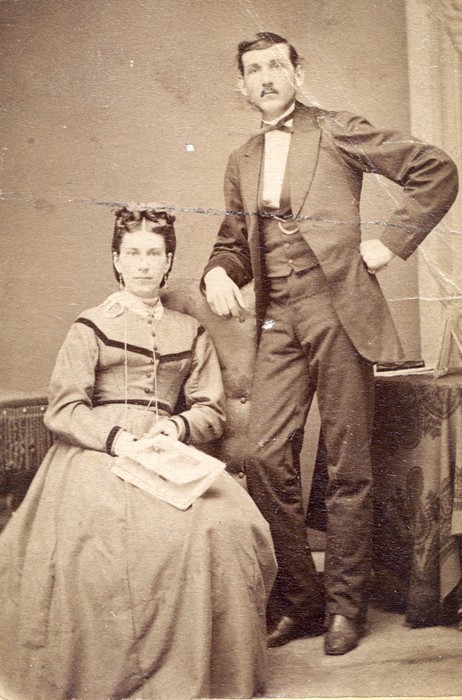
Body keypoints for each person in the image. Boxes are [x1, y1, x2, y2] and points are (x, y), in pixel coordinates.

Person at [201, 32, 458, 655]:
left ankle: (346, 607)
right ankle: (301, 601)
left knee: (348, 463)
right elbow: (235, 243)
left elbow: (436, 171)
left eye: (276, 65)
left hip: (339, 310)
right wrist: (217, 271)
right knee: (264, 454)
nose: (266, 77)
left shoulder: (337, 130)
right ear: (242, 85)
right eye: (254, 70)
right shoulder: (242, 158)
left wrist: (391, 242)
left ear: (298, 73)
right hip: (278, 320)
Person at [0, 204, 277, 700]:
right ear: (117, 260)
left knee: (224, 524)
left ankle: (202, 668)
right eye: (134, 253)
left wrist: (175, 426)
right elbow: (64, 408)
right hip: (95, 450)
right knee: (105, 535)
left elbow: (210, 409)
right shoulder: (90, 325)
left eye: (154, 253)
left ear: (168, 261)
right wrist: (115, 439)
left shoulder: (189, 329)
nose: (144, 264)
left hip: (165, 446)